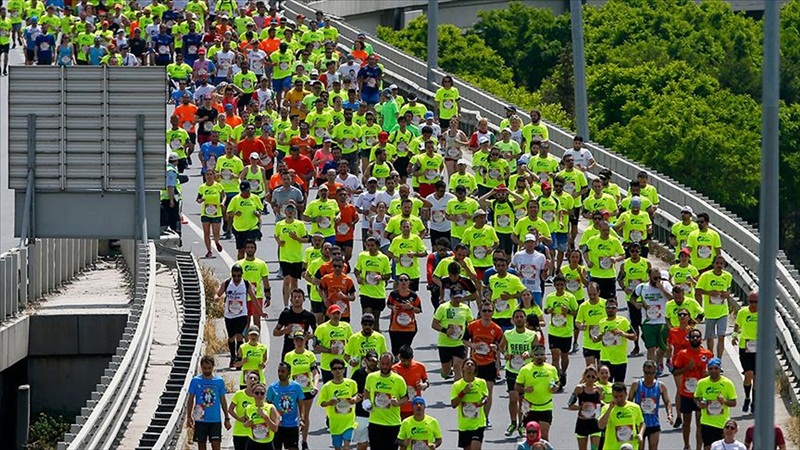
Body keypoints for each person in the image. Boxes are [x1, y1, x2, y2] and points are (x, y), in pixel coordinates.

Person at [500, 309, 540, 437]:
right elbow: (502, 347)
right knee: (513, 398)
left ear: (525, 319)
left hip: (526, 370)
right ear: (513, 319)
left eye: (521, 317)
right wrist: (506, 355)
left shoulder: (532, 334)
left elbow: (537, 350)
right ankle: (513, 423)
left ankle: (522, 424)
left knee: (523, 400)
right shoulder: (508, 334)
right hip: (512, 369)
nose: (519, 319)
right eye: (516, 317)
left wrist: (530, 353)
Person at [463, 301, 503, 427]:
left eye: (489, 311)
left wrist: (495, 347)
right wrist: (473, 345)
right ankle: (472, 414)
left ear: (493, 312)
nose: (486, 313)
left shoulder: (496, 329)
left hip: (489, 363)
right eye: (484, 311)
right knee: (473, 390)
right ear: (480, 312)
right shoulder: (472, 326)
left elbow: (502, 346)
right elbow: (464, 340)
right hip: (474, 363)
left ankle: (485, 418)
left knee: (488, 392)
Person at [632, 268, 673, 374]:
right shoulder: (642, 287)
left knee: (663, 347)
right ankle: (651, 370)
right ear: (649, 276)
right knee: (651, 348)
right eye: (655, 278)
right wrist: (636, 304)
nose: (658, 280)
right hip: (648, 322)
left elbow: (672, 299)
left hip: (663, 321)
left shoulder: (666, 285)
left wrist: (662, 289)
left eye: (659, 277)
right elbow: (632, 298)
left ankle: (659, 362)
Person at [216, 264, 257, 369]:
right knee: (231, 338)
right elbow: (218, 293)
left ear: (242, 275)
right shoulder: (227, 283)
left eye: (238, 276)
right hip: (229, 315)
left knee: (239, 336)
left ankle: (238, 360)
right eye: (234, 276)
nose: (236, 278)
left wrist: (260, 312)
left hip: (242, 314)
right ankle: (232, 357)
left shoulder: (246, 284)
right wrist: (216, 297)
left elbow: (253, 298)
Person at [283, 331, 319, 450]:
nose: (299, 342)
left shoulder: (310, 355)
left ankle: (304, 441)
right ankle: (294, 441)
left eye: (301, 340)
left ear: (305, 341)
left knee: (305, 416)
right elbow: (285, 372)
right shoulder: (289, 356)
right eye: (297, 340)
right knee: (294, 415)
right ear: (293, 341)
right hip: (293, 390)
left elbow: (315, 372)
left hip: (307, 389)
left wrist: (315, 385)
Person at [515, 344, 559, 441]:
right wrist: (525, 389)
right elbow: (517, 386)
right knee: (531, 438)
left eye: (541, 355)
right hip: (530, 408)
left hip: (546, 406)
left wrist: (555, 388)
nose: (539, 357)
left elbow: (556, 382)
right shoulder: (525, 369)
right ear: (532, 356)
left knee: (544, 436)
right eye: (536, 355)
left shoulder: (551, 369)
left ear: (545, 356)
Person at [365, 352, 409, 450]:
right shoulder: (371, 377)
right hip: (375, 422)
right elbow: (366, 390)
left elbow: (406, 398)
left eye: (387, 363)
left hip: (392, 424)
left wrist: (397, 403)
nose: (385, 366)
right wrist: (367, 402)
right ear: (379, 363)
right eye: (383, 363)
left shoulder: (399, 380)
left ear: (392, 363)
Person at [186, 356, 231, 450]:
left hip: (215, 419)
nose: (207, 370)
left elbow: (223, 400)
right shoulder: (195, 381)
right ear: (201, 367)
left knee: (216, 445)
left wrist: (227, 418)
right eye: (204, 368)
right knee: (201, 445)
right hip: (200, 419)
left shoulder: (219, 381)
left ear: (213, 367)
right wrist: (189, 416)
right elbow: (190, 399)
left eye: (209, 368)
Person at [628, 360, 673, 450]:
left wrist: (670, 414)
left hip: (654, 423)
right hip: (639, 423)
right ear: (643, 371)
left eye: (651, 373)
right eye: (646, 373)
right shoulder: (636, 384)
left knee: (653, 447)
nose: (649, 376)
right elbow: (629, 402)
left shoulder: (660, 386)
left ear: (655, 372)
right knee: (640, 447)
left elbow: (667, 402)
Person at [694, 358, 737, 450]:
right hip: (707, 422)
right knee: (708, 447)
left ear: (720, 369)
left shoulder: (727, 383)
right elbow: (696, 397)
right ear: (708, 370)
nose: (713, 371)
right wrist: (699, 404)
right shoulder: (702, 383)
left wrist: (724, 401)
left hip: (723, 423)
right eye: (711, 369)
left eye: (716, 368)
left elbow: (734, 403)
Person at [544, 275, 578, 390]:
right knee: (555, 356)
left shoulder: (570, 297)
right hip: (553, 331)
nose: (559, 287)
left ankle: (563, 372)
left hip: (566, 332)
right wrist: (549, 310)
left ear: (565, 285)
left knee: (564, 355)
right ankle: (556, 376)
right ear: (554, 285)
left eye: (561, 285)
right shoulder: (550, 297)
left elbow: (575, 312)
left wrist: (567, 311)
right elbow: (545, 310)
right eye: (557, 285)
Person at [318, 358, 360, 450]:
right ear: (331, 371)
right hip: (335, 422)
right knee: (337, 447)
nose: (338, 371)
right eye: (335, 368)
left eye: (340, 368)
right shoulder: (327, 387)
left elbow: (357, 395)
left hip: (349, 421)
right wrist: (329, 402)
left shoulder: (351, 383)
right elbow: (321, 403)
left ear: (344, 370)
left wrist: (354, 399)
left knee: (346, 446)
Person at [695, 255, 732, 358]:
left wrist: (726, 294)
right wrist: (709, 293)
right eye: (717, 263)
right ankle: (711, 357)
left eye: (721, 263)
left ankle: (719, 360)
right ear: (713, 264)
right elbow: (697, 290)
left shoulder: (728, 276)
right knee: (710, 337)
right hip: (710, 312)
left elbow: (728, 289)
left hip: (723, 311)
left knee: (721, 336)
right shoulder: (706, 276)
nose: (719, 265)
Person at [432, 289, 474, 381]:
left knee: (457, 367)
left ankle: (457, 388)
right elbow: (434, 324)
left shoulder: (465, 308)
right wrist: (445, 330)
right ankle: (444, 372)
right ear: (451, 297)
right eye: (456, 298)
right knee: (446, 371)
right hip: (444, 343)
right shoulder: (443, 307)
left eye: (460, 298)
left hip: (459, 343)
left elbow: (471, 323)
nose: (458, 300)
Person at [594, 298, 637, 382]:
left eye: (613, 308)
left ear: (617, 309)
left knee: (619, 387)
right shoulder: (601, 322)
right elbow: (596, 339)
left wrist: (623, 334)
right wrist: (599, 337)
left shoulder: (623, 321)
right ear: (605, 309)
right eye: (608, 308)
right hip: (605, 359)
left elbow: (634, 336)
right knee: (605, 386)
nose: (611, 310)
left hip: (620, 360)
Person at [274, 204, 309, 307]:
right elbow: (276, 236)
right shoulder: (280, 224)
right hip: (284, 257)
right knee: (286, 281)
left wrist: (297, 238)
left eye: (291, 210)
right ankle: (285, 305)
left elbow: (306, 239)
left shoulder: (300, 224)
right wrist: (279, 242)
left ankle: (294, 303)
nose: (289, 212)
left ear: (294, 212)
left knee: (294, 282)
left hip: (297, 258)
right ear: (285, 212)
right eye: (288, 210)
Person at [355, 236, 392, 330]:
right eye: (368, 245)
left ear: (377, 246)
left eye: (372, 245)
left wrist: (381, 277)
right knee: (367, 316)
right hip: (365, 292)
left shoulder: (383, 258)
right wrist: (358, 278)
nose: (370, 247)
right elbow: (356, 270)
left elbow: (388, 275)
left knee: (375, 320)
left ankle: (375, 339)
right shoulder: (362, 256)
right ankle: (365, 337)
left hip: (378, 293)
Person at [451, 358, 488, 450]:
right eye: (467, 364)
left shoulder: (481, 382)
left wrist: (483, 401)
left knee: (476, 447)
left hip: (478, 423)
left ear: (475, 369)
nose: (470, 366)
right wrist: (463, 392)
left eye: (472, 365)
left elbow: (485, 397)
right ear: (463, 368)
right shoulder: (457, 385)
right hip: (464, 425)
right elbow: (453, 404)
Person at [266, 363, 305, 450]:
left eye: (283, 371)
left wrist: (302, 419)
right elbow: (267, 405)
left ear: (289, 373)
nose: (280, 373)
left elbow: (301, 403)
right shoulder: (272, 388)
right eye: (279, 371)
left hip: (292, 425)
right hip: (278, 425)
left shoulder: (296, 387)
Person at [598, 382, 645, 450]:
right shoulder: (606, 408)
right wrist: (610, 409)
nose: (619, 399)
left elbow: (641, 422)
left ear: (626, 394)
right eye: (616, 397)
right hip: (612, 447)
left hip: (630, 447)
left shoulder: (635, 407)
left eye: (621, 396)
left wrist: (640, 434)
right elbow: (601, 426)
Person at [732, 291, 758, 414]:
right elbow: (737, 325)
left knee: (756, 378)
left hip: (759, 348)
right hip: (745, 347)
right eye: (750, 302)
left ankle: (755, 402)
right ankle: (747, 398)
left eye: (755, 302)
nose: (752, 305)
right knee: (748, 374)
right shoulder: (743, 312)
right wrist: (734, 335)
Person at [568, 365, 604, 450]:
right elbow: (570, 405)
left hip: (595, 422)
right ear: (584, 376)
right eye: (588, 376)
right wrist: (581, 407)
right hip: (582, 422)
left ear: (596, 377)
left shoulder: (599, 389)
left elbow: (600, 403)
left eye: (593, 376)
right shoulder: (579, 388)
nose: (590, 379)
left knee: (594, 448)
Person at [314, 305, 353, 382]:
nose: (336, 316)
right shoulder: (321, 328)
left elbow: (351, 342)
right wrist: (329, 350)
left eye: (338, 314)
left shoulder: (346, 327)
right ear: (328, 314)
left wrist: (347, 351)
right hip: (327, 365)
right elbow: (316, 346)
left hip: (342, 365)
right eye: (333, 314)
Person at [238, 239, 271, 328]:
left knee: (257, 321)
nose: (250, 249)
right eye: (248, 247)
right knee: (246, 322)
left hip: (257, 296)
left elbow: (265, 281)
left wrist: (268, 297)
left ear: (255, 249)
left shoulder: (261, 264)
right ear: (245, 249)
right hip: (243, 296)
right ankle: (246, 340)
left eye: (252, 247)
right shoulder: (239, 264)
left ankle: (256, 340)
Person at [273, 289, 317, 358]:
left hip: (303, 350)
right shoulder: (285, 314)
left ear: (303, 299)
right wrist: (285, 331)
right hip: (288, 350)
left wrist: (310, 336)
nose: (297, 299)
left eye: (299, 297)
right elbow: (275, 332)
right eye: (294, 297)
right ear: (291, 300)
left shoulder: (309, 316)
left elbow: (317, 333)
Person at [227, 180, 264, 260]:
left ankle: (251, 263)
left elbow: (260, 210)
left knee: (250, 248)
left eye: (246, 191)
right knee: (241, 251)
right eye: (243, 191)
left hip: (252, 227)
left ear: (250, 189)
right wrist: (235, 214)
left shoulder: (255, 198)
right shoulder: (235, 199)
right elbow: (229, 213)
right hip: (239, 228)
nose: (245, 193)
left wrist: (258, 213)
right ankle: (240, 266)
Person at [392, 346, 430, 421]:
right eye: (403, 361)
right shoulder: (394, 369)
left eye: (408, 361)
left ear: (412, 357)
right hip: (399, 407)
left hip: (415, 407)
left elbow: (426, 381)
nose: (406, 363)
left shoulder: (420, 366)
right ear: (399, 357)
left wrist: (424, 385)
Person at [387, 275, 423, 355]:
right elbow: (389, 304)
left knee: (404, 351)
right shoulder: (393, 294)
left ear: (409, 282)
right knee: (395, 351)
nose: (403, 282)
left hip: (409, 328)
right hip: (395, 328)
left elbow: (419, 310)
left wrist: (411, 308)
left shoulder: (413, 296)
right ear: (398, 282)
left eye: (406, 280)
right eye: (401, 280)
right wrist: (393, 307)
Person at [351, 350, 379, 450]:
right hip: (361, 414)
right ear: (365, 360)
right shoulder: (358, 373)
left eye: (375, 361)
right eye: (370, 360)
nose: (373, 363)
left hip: (377, 414)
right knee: (362, 445)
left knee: (376, 445)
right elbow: (351, 391)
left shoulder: (381, 375)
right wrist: (357, 397)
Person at [575, 283, 607, 367]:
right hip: (589, 343)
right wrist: (581, 326)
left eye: (594, 294)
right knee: (591, 370)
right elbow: (577, 322)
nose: (592, 296)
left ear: (599, 292)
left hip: (603, 343)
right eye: (589, 294)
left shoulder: (605, 304)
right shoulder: (583, 306)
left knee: (601, 370)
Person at [242, 382, 281, 449]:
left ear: (265, 395)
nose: (259, 395)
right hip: (252, 443)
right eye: (257, 393)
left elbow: (275, 429)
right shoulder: (248, 408)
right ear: (252, 394)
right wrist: (246, 424)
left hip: (267, 444)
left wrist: (265, 417)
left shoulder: (271, 407)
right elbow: (245, 423)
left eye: (262, 393)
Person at [197, 168, 226, 258]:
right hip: (205, 212)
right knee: (206, 233)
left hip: (216, 212)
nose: (209, 176)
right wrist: (201, 200)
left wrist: (222, 203)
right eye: (207, 175)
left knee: (216, 233)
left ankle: (217, 242)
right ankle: (209, 250)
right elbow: (198, 199)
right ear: (205, 176)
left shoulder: (218, 186)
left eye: (211, 174)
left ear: (214, 176)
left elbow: (224, 196)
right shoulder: (202, 187)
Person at [229, 371, 260, 450]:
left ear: (258, 382)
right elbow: (230, 409)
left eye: (255, 379)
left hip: (254, 433)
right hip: (239, 432)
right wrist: (239, 418)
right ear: (246, 380)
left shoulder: (259, 396)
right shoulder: (239, 394)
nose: (252, 380)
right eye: (250, 378)